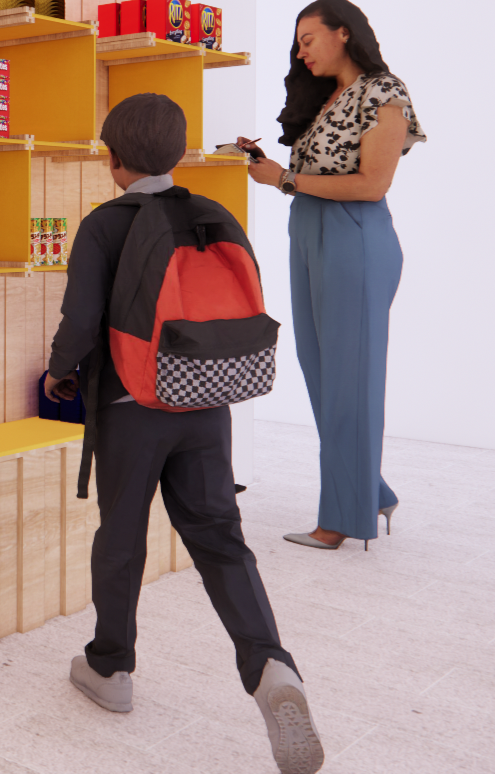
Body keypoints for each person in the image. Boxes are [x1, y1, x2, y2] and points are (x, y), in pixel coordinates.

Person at [46, 93, 324, 774]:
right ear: (175, 153)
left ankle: (110, 668)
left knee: (122, 536)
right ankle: (270, 667)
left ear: (112, 160)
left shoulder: (104, 225)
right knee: (222, 541)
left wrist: (59, 374)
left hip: (131, 406)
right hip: (205, 404)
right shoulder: (213, 214)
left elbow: (82, 323)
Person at [242, 0, 425, 551]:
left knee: (352, 382)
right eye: (296, 44)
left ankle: (341, 519)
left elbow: (373, 184)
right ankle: (370, 490)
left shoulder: (384, 93)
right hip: (310, 233)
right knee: (323, 375)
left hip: (354, 237)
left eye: (308, 39)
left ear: (343, 33)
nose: (300, 53)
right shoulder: (327, 98)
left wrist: (283, 180)